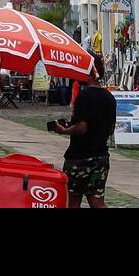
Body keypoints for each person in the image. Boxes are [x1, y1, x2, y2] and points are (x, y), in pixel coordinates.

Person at [48, 54, 117, 208]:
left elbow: (81, 127)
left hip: (79, 157)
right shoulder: (110, 98)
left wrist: (63, 130)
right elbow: (111, 128)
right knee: (97, 201)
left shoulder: (84, 96)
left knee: (73, 200)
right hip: (100, 157)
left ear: (89, 72)